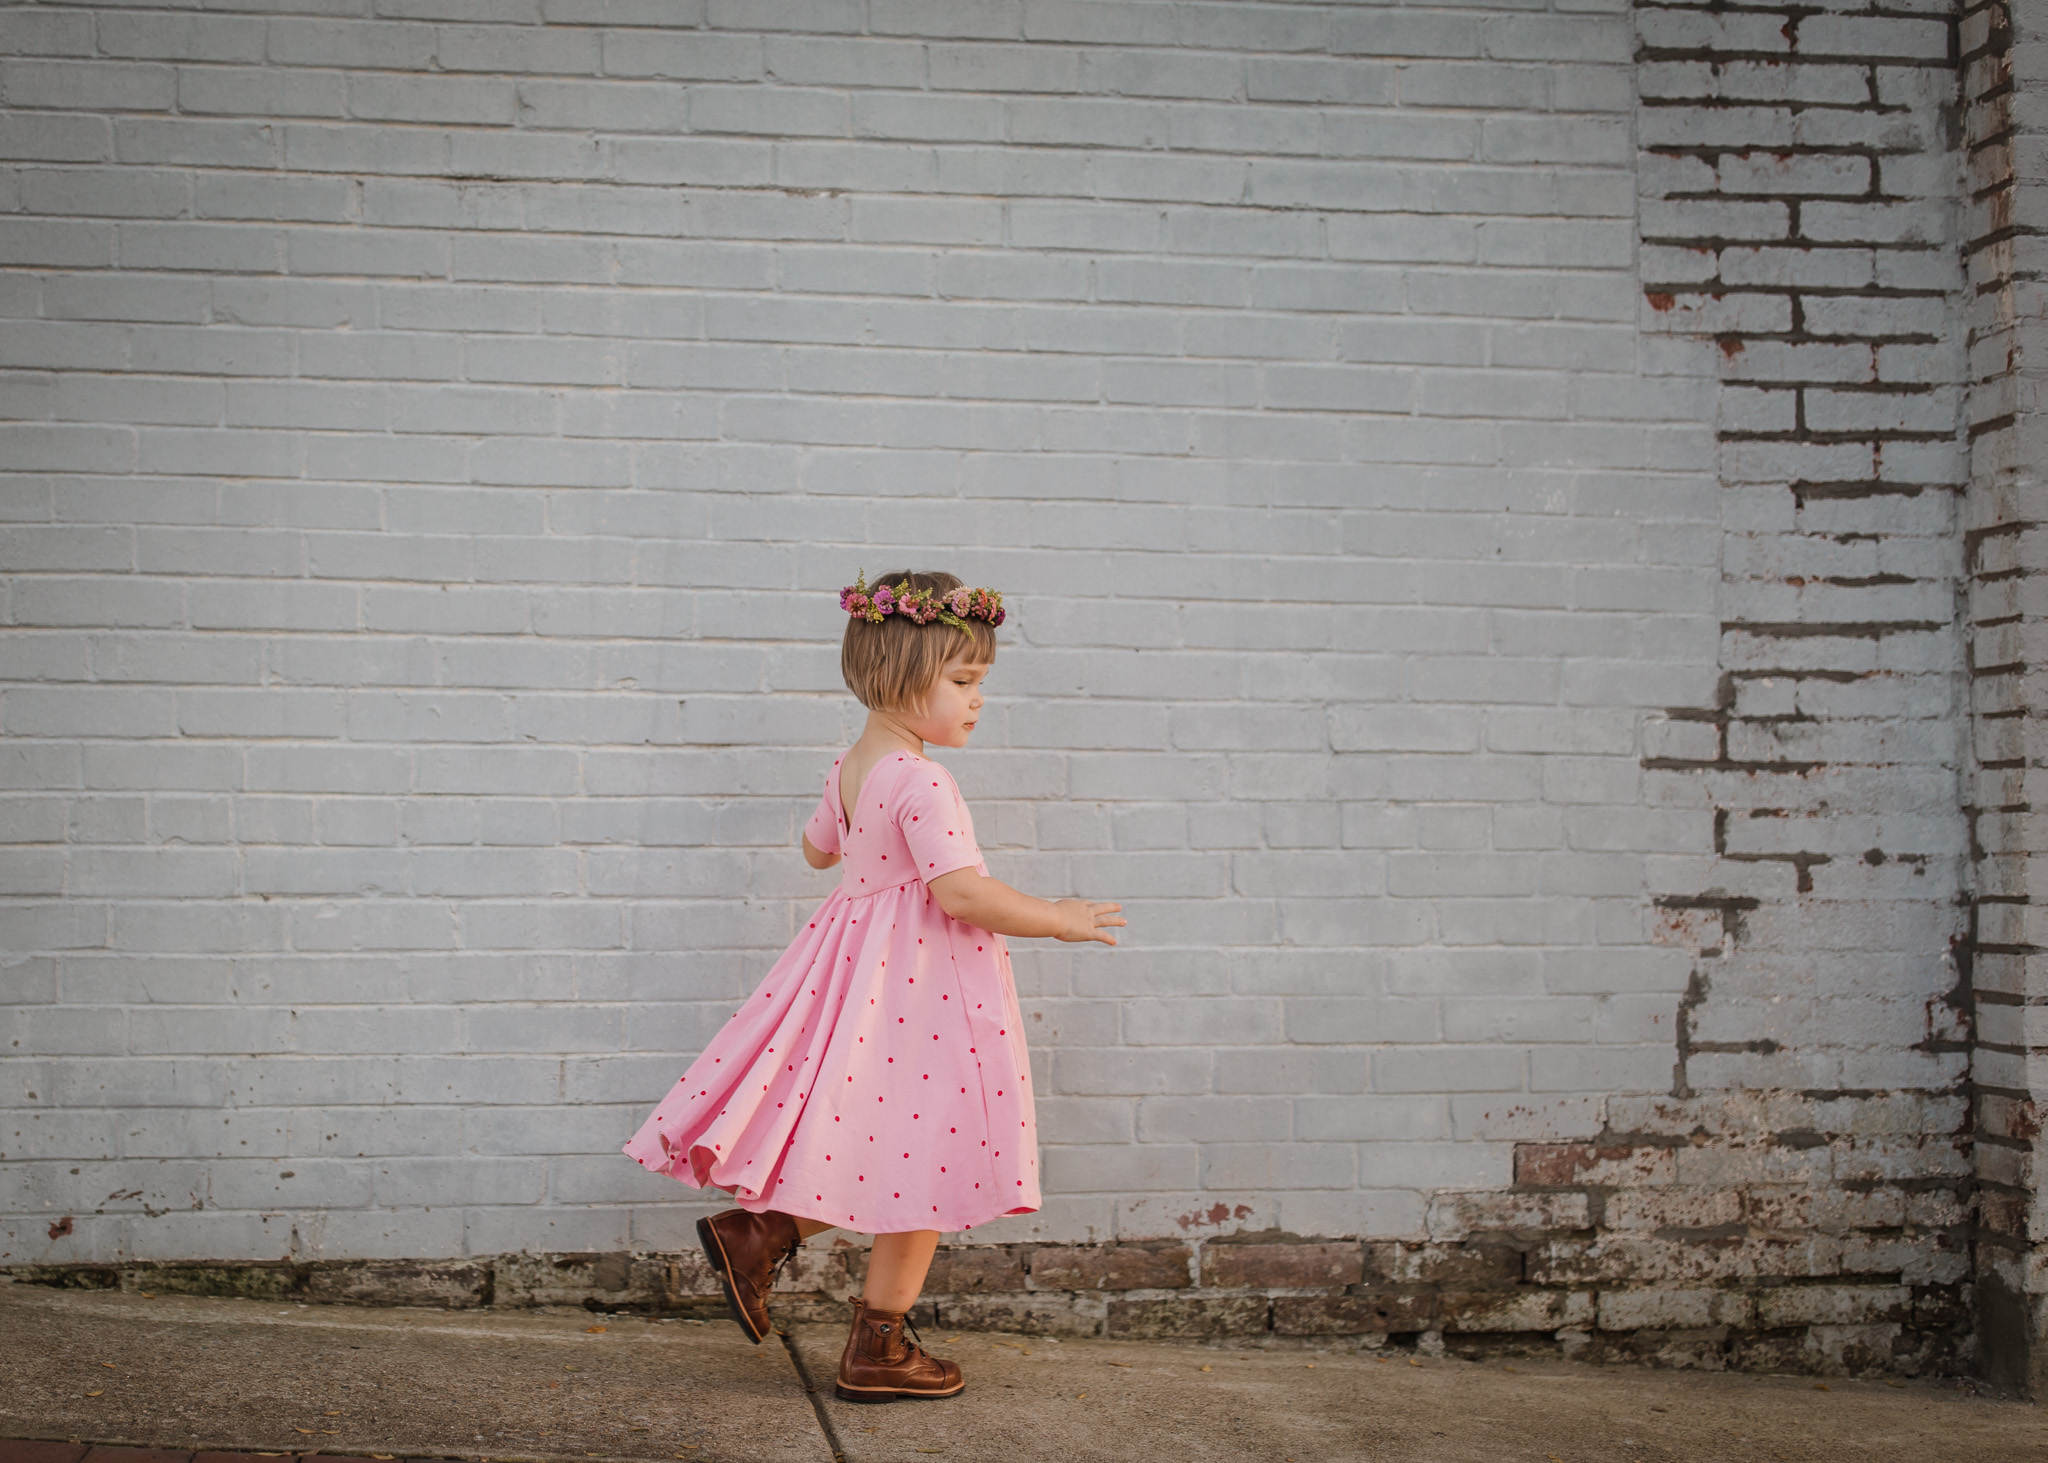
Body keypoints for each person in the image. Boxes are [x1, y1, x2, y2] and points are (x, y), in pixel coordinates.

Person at [622, 568, 1126, 1403]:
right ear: (897, 675)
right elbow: (959, 892)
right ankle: (873, 1340)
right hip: (923, 987)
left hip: (863, 974)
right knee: (929, 1152)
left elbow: (819, 850)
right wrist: (1061, 916)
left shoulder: (855, 766)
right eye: (963, 681)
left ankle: (766, 1233)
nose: (977, 699)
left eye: (980, 683)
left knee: (898, 1149)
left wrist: (858, 826)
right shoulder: (926, 780)